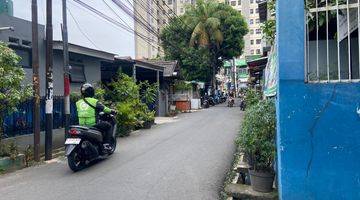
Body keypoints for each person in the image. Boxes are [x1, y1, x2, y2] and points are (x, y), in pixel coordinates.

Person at [76, 83, 115, 150]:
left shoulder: (78, 102)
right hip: (92, 125)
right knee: (108, 126)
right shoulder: (94, 101)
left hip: (82, 125)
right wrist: (112, 111)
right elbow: (105, 109)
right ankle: (106, 144)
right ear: (91, 92)